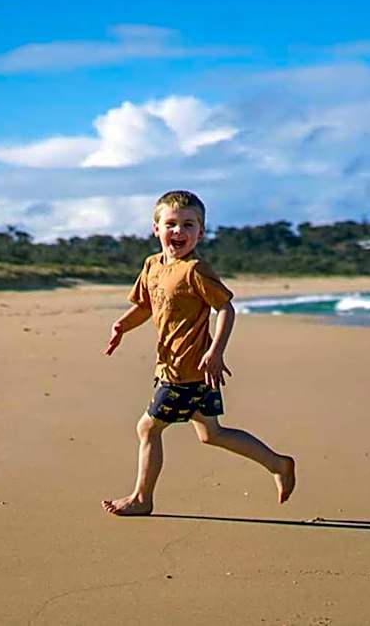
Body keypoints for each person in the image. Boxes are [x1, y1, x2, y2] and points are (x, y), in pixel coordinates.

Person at [102, 190, 295, 516]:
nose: (179, 232)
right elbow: (146, 306)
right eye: (171, 224)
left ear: (200, 232)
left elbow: (226, 309)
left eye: (188, 225)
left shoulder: (195, 270)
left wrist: (216, 352)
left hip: (189, 371)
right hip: (174, 366)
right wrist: (122, 325)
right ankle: (278, 463)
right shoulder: (152, 266)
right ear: (156, 228)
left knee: (148, 428)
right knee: (211, 433)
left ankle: (141, 499)